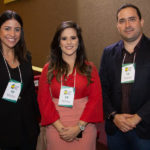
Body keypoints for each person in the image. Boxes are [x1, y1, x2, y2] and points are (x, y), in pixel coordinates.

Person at [38, 21, 103, 150]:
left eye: (73, 38)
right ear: (58, 42)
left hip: (85, 129)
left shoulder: (90, 68)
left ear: (79, 42)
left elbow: (95, 100)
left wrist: (79, 127)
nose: (69, 42)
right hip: (56, 129)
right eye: (64, 38)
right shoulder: (48, 69)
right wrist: (60, 128)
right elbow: (43, 100)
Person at [99, 3, 150, 150]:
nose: (127, 25)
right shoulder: (108, 52)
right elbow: (102, 88)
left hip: (145, 130)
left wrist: (137, 117)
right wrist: (114, 116)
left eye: (132, 19)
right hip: (116, 130)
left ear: (141, 22)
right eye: (122, 21)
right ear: (117, 26)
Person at [0, 10, 40, 150]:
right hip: (4, 133)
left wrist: (36, 124)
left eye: (17, 29)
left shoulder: (26, 57)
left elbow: (30, 93)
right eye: (7, 28)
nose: (12, 34)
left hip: (28, 130)